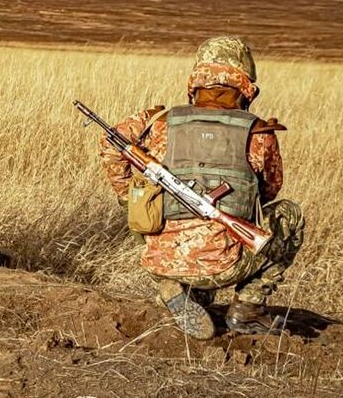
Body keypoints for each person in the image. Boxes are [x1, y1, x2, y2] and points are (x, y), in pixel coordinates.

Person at [99, 36, 304, 339]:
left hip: (161, 261)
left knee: (143, 205)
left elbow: (109, 143)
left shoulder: (156, 122)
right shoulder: (258, 132)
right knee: (289, 215)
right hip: (224, 266)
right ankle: (248, 309)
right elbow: (268, 193)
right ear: (246, 82)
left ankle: (180, 290)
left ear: (196, 80)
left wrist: (129, 197)